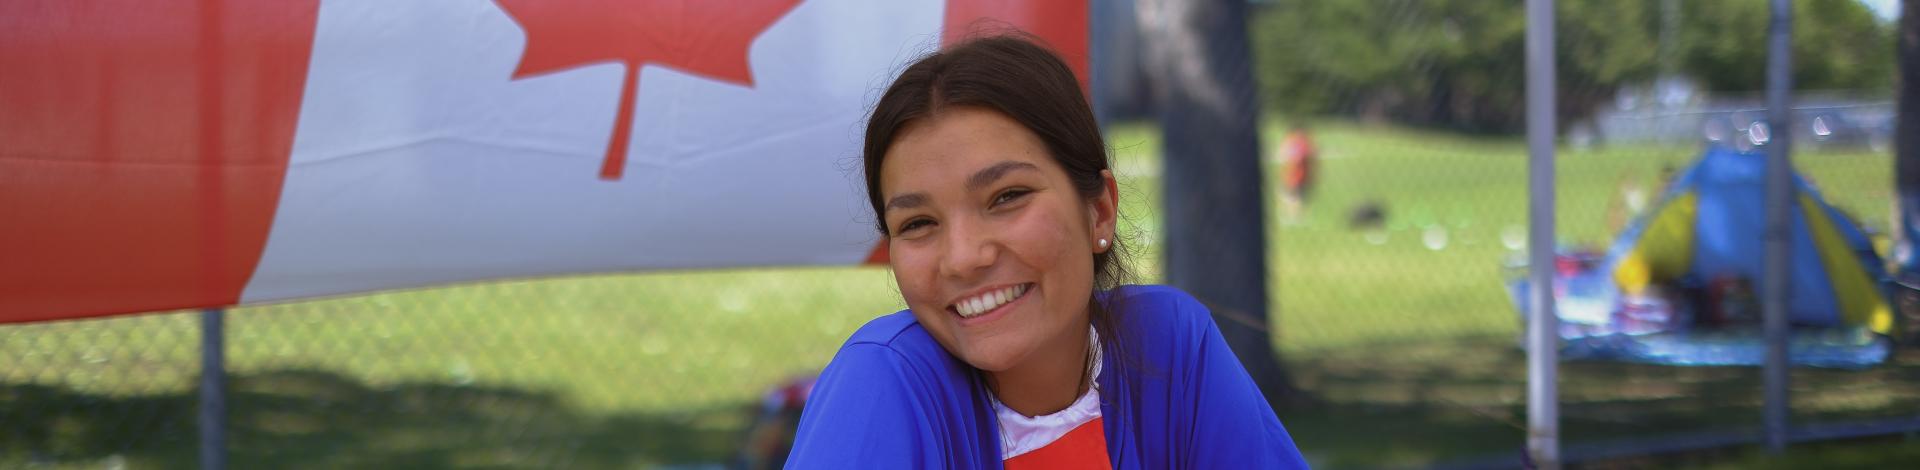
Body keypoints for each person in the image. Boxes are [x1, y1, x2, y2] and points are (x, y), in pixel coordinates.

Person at [785, 35, 1309, 469]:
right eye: (918, 223)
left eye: (1007, 197)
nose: (964, 257)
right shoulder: (883, 382)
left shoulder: (1169, 343)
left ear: (1099, 211)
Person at [1278, 123, 1317, 224]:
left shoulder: (1296, 142)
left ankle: (1295, 217)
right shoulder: (1304, 141)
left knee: (1293, 196)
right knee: (1292, 195)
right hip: (1298, 173)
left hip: (1295, 174)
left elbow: (1289, 155)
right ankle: (1293, 216)